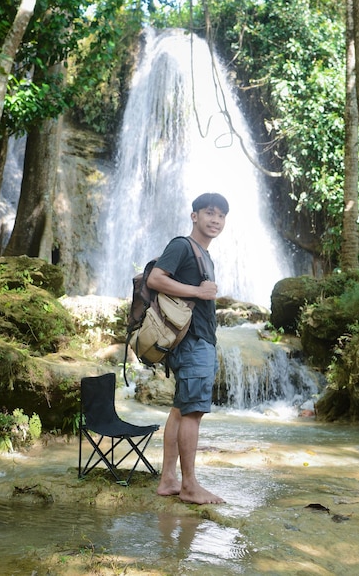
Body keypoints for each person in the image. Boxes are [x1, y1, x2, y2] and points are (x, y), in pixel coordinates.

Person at [147, 192, 229, 505]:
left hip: (199, 339)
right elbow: (155, 278)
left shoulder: (204, 255)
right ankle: (190, 486)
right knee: (193, 413)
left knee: (181, 410)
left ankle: (169, 479)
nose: (215, 220)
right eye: (210, 213)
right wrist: (197, 290)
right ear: (194, 216)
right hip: (192, 341)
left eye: (221, 216)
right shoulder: (182, 245)